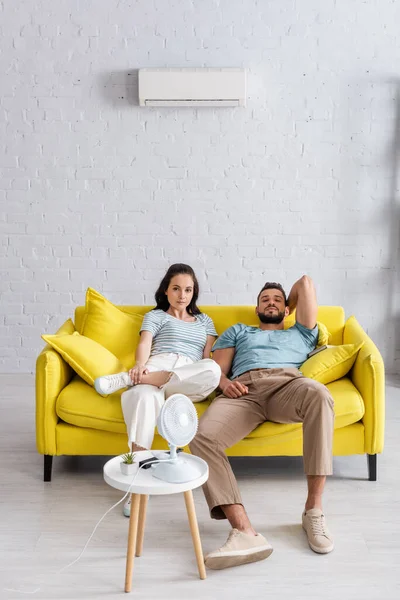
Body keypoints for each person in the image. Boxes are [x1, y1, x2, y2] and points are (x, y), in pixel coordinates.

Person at [189, 275, 335, 569]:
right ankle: (244, 531)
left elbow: (306, 283)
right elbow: (217, 370)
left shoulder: (302, 332)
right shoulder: (239, 330)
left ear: (288, 308)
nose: (271, 302)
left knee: (319, 394)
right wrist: (225, 384)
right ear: (256, 309)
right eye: (265, 300)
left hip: (287, 386)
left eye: (277, 300)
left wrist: (289, 305)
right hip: (243, 391)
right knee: (201, 435)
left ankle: (313, 512)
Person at [95, 263, 221, 515]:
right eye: (176, 289)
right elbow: (145, 343)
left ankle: (129, 380)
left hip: (187, 378)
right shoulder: (155, 316)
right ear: (165, 290)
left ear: (193, 292)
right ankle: (136, 487)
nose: (182, 295)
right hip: (156, 366)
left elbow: (208, 357)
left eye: (187, 290)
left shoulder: (205, 321)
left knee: (213, 369)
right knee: (143, 397)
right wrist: (140, 367)